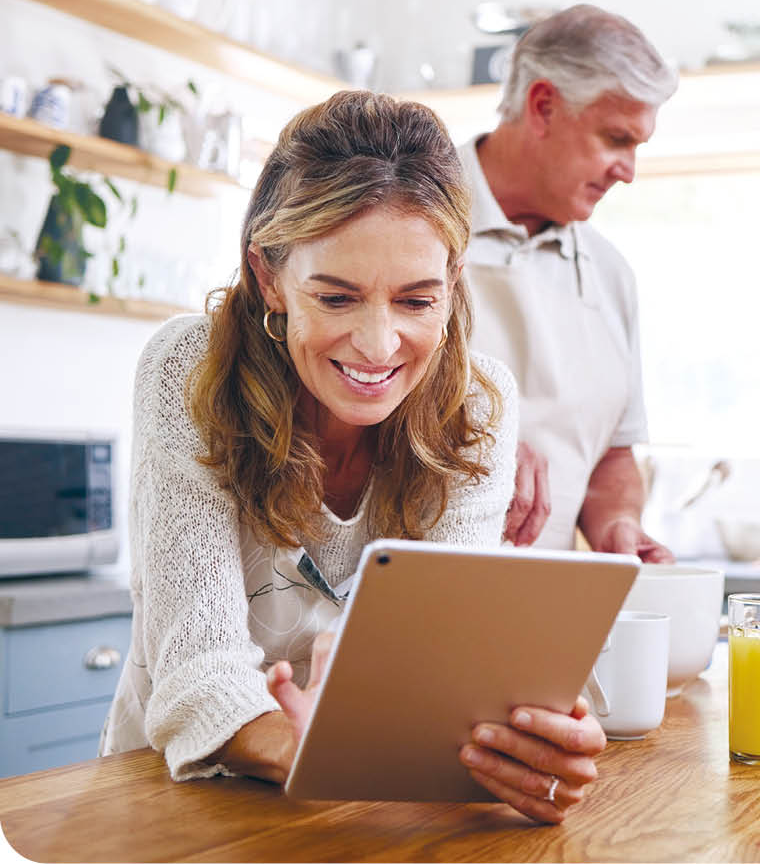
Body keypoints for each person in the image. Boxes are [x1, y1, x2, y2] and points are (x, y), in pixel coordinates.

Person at [101, 91, 604, 825]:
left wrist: (529, 741)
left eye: (415, 300)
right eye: (336, 297)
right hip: (181, 807)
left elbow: (450, 673)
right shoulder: (189, 368)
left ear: (453, 279)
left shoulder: (479, 403)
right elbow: (194, 671)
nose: (377, 344)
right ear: (269, 275)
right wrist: (315, 748)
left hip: (375, 809)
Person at [461, 5, 678, 558]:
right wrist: (468, 452)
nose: (628, 170)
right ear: (543, 106)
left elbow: (612, 457)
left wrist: (616, 525)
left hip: (550, 613)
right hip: (408, 597)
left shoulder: (610, 274)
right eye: (615, 139)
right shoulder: (408, 222)